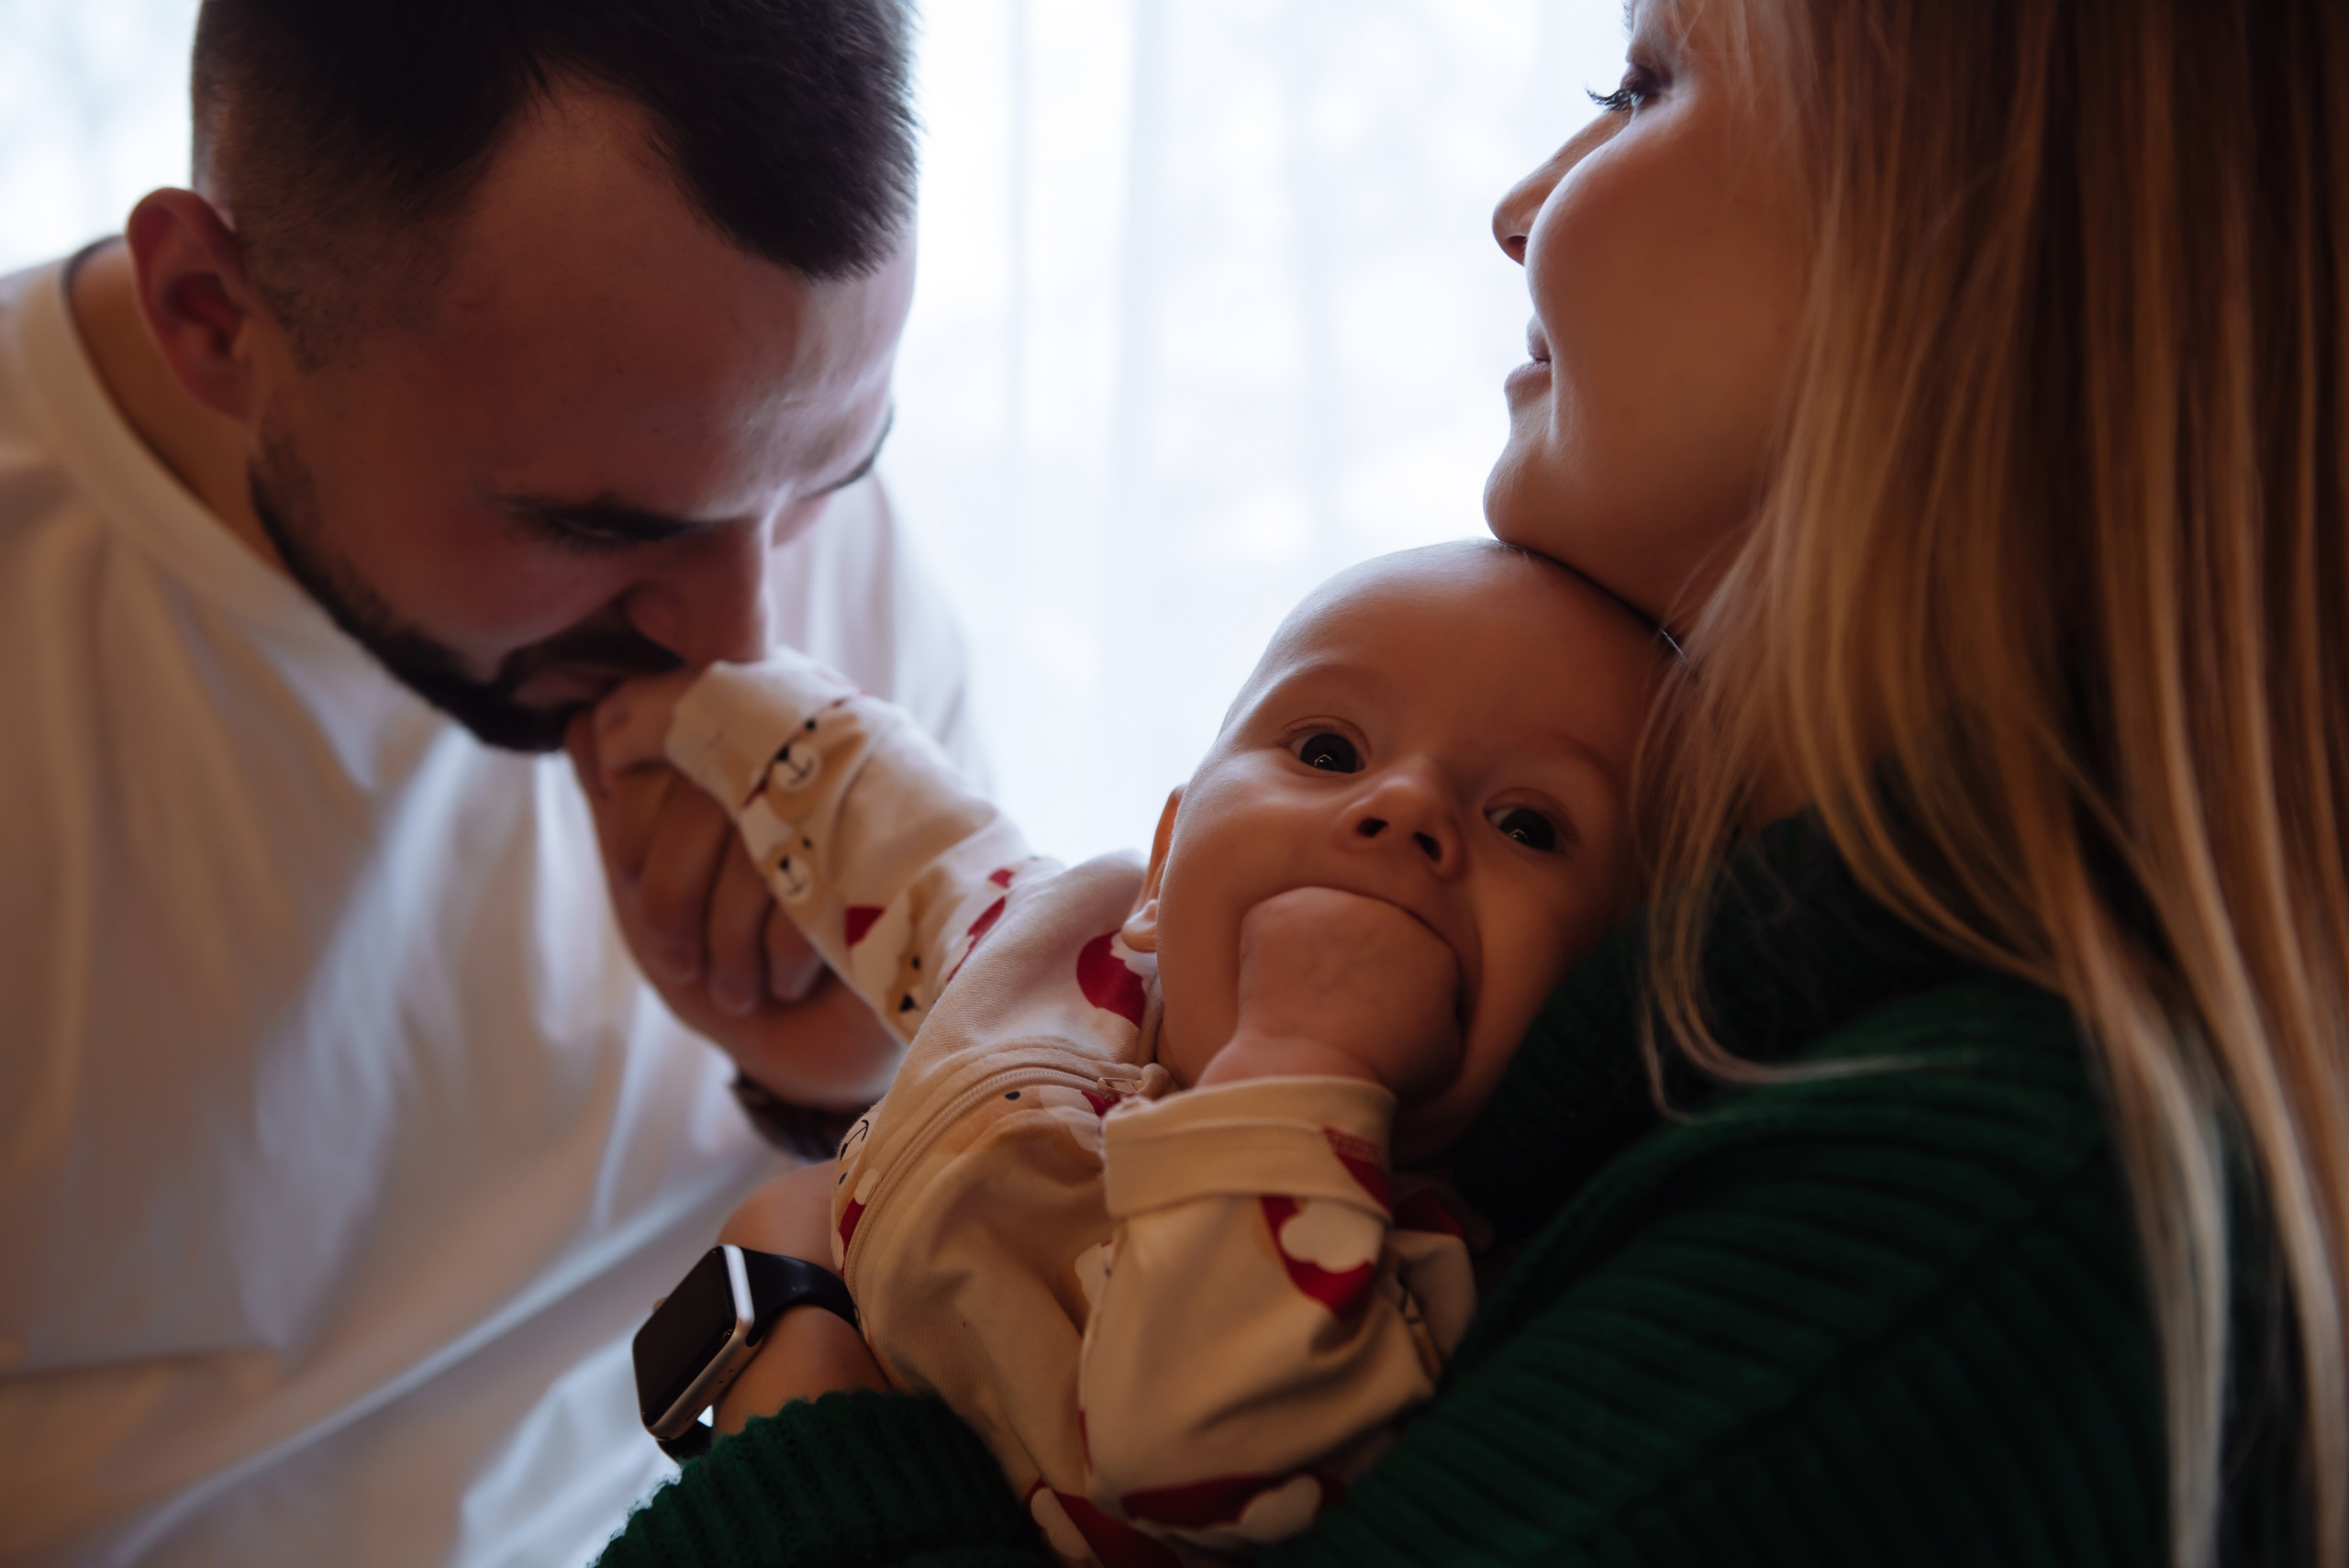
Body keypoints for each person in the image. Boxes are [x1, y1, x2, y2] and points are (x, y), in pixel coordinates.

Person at [593, 0, 2347, 1564]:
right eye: (1324, 748)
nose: (1520, 207)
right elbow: (935, 861)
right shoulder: (1718, 1045)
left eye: (1642, 85)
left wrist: (792, 1360)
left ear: (1974, 243)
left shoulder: (1962, 1230)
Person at [0, 1, 982, 1562]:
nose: (746, 640)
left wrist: (845, 1089)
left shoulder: (740, 456)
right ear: (215, 317)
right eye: (593, 528)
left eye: (832, 475)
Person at [587, 541, 1664, 1561]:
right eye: (1328, 751)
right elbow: (914, 847)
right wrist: (726, 709)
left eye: (1529, 824)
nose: (1407, 803)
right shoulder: (1063, 959)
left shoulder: (1428, 1291)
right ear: (1162, 865)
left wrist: (1299, 1058)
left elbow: (1202, 1442)